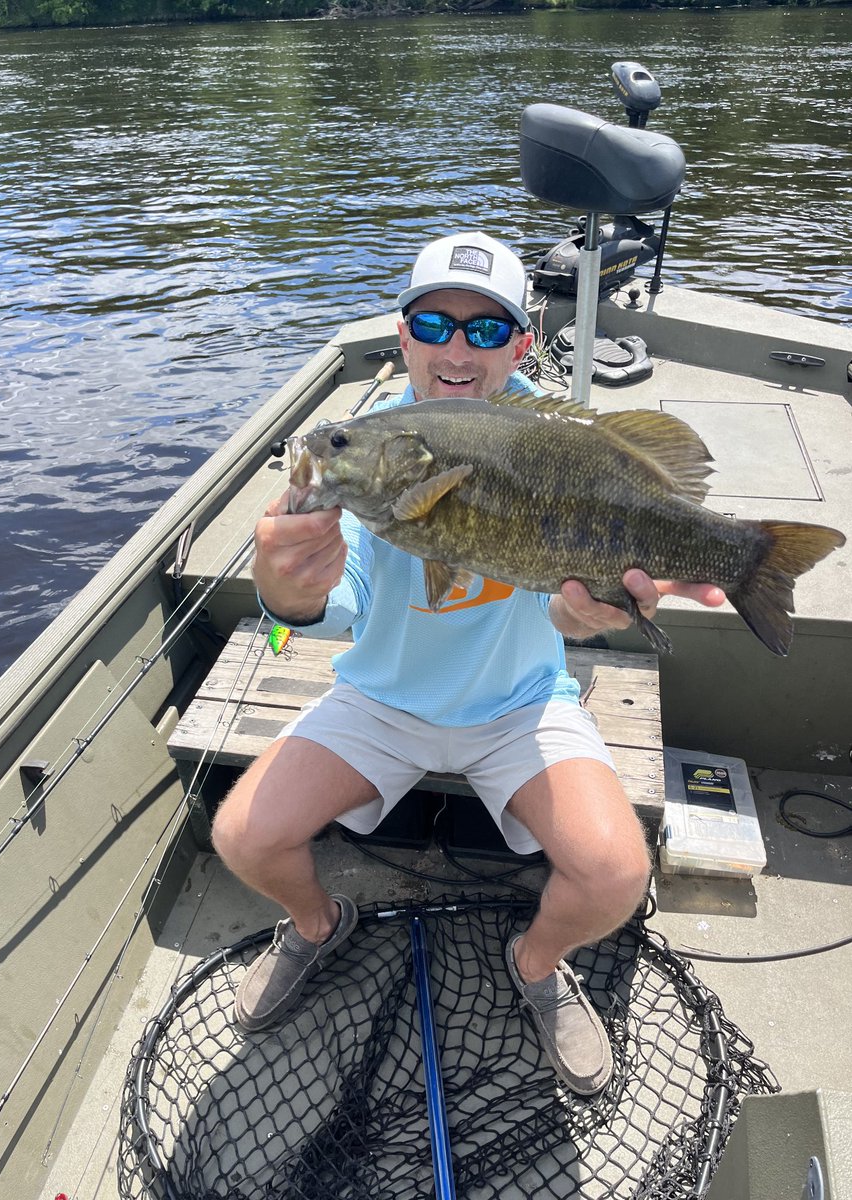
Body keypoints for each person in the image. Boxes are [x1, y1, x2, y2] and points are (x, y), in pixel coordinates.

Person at [212, 231, 725, 1097]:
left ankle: (537, 964)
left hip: (518, 704)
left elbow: (557, 607)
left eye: (485, 330)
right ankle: (316, 923)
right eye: (433, 325)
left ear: (522, 345)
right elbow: (323, 610)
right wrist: (282, 591)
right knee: (242, 837)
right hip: (382, 701)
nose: (456, 349)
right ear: (403, 335)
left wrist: (590, 614)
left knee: (616, 875)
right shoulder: (374, 447)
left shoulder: (546, 436)